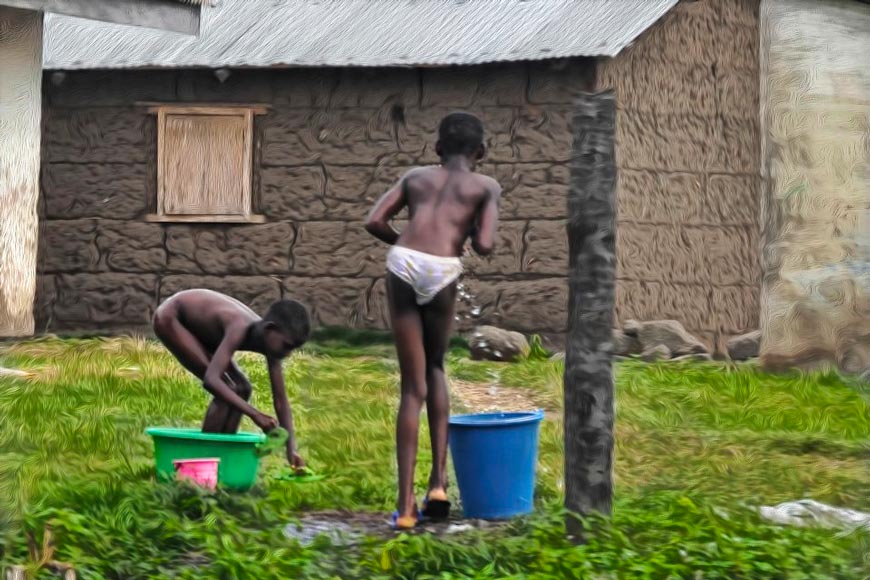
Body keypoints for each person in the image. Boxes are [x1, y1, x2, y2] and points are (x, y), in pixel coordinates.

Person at [365, 112, 501, 529]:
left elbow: (374, 220)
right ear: (480, 152)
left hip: (403, 262)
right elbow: (486, 244)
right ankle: (438, 484)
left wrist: (407, 245)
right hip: (442, 266)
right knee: (437, 366)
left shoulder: (415, 177)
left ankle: (405, 508)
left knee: (412, 387)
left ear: (437, 149)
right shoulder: (485, 186)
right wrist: (469, 226)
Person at [152, 289, 310, 469]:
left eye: (293, 349)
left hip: (205, 330)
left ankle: (221, 460)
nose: (288, 354)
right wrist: (255, 415)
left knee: (242, 388)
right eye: (287, 346)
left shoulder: (273, 345)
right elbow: (212, 380)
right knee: (227, 387)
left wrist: (291, 452)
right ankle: (201, 463)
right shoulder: (239, 326)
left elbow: (281, 402)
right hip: (173, 318)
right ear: (269, 329)